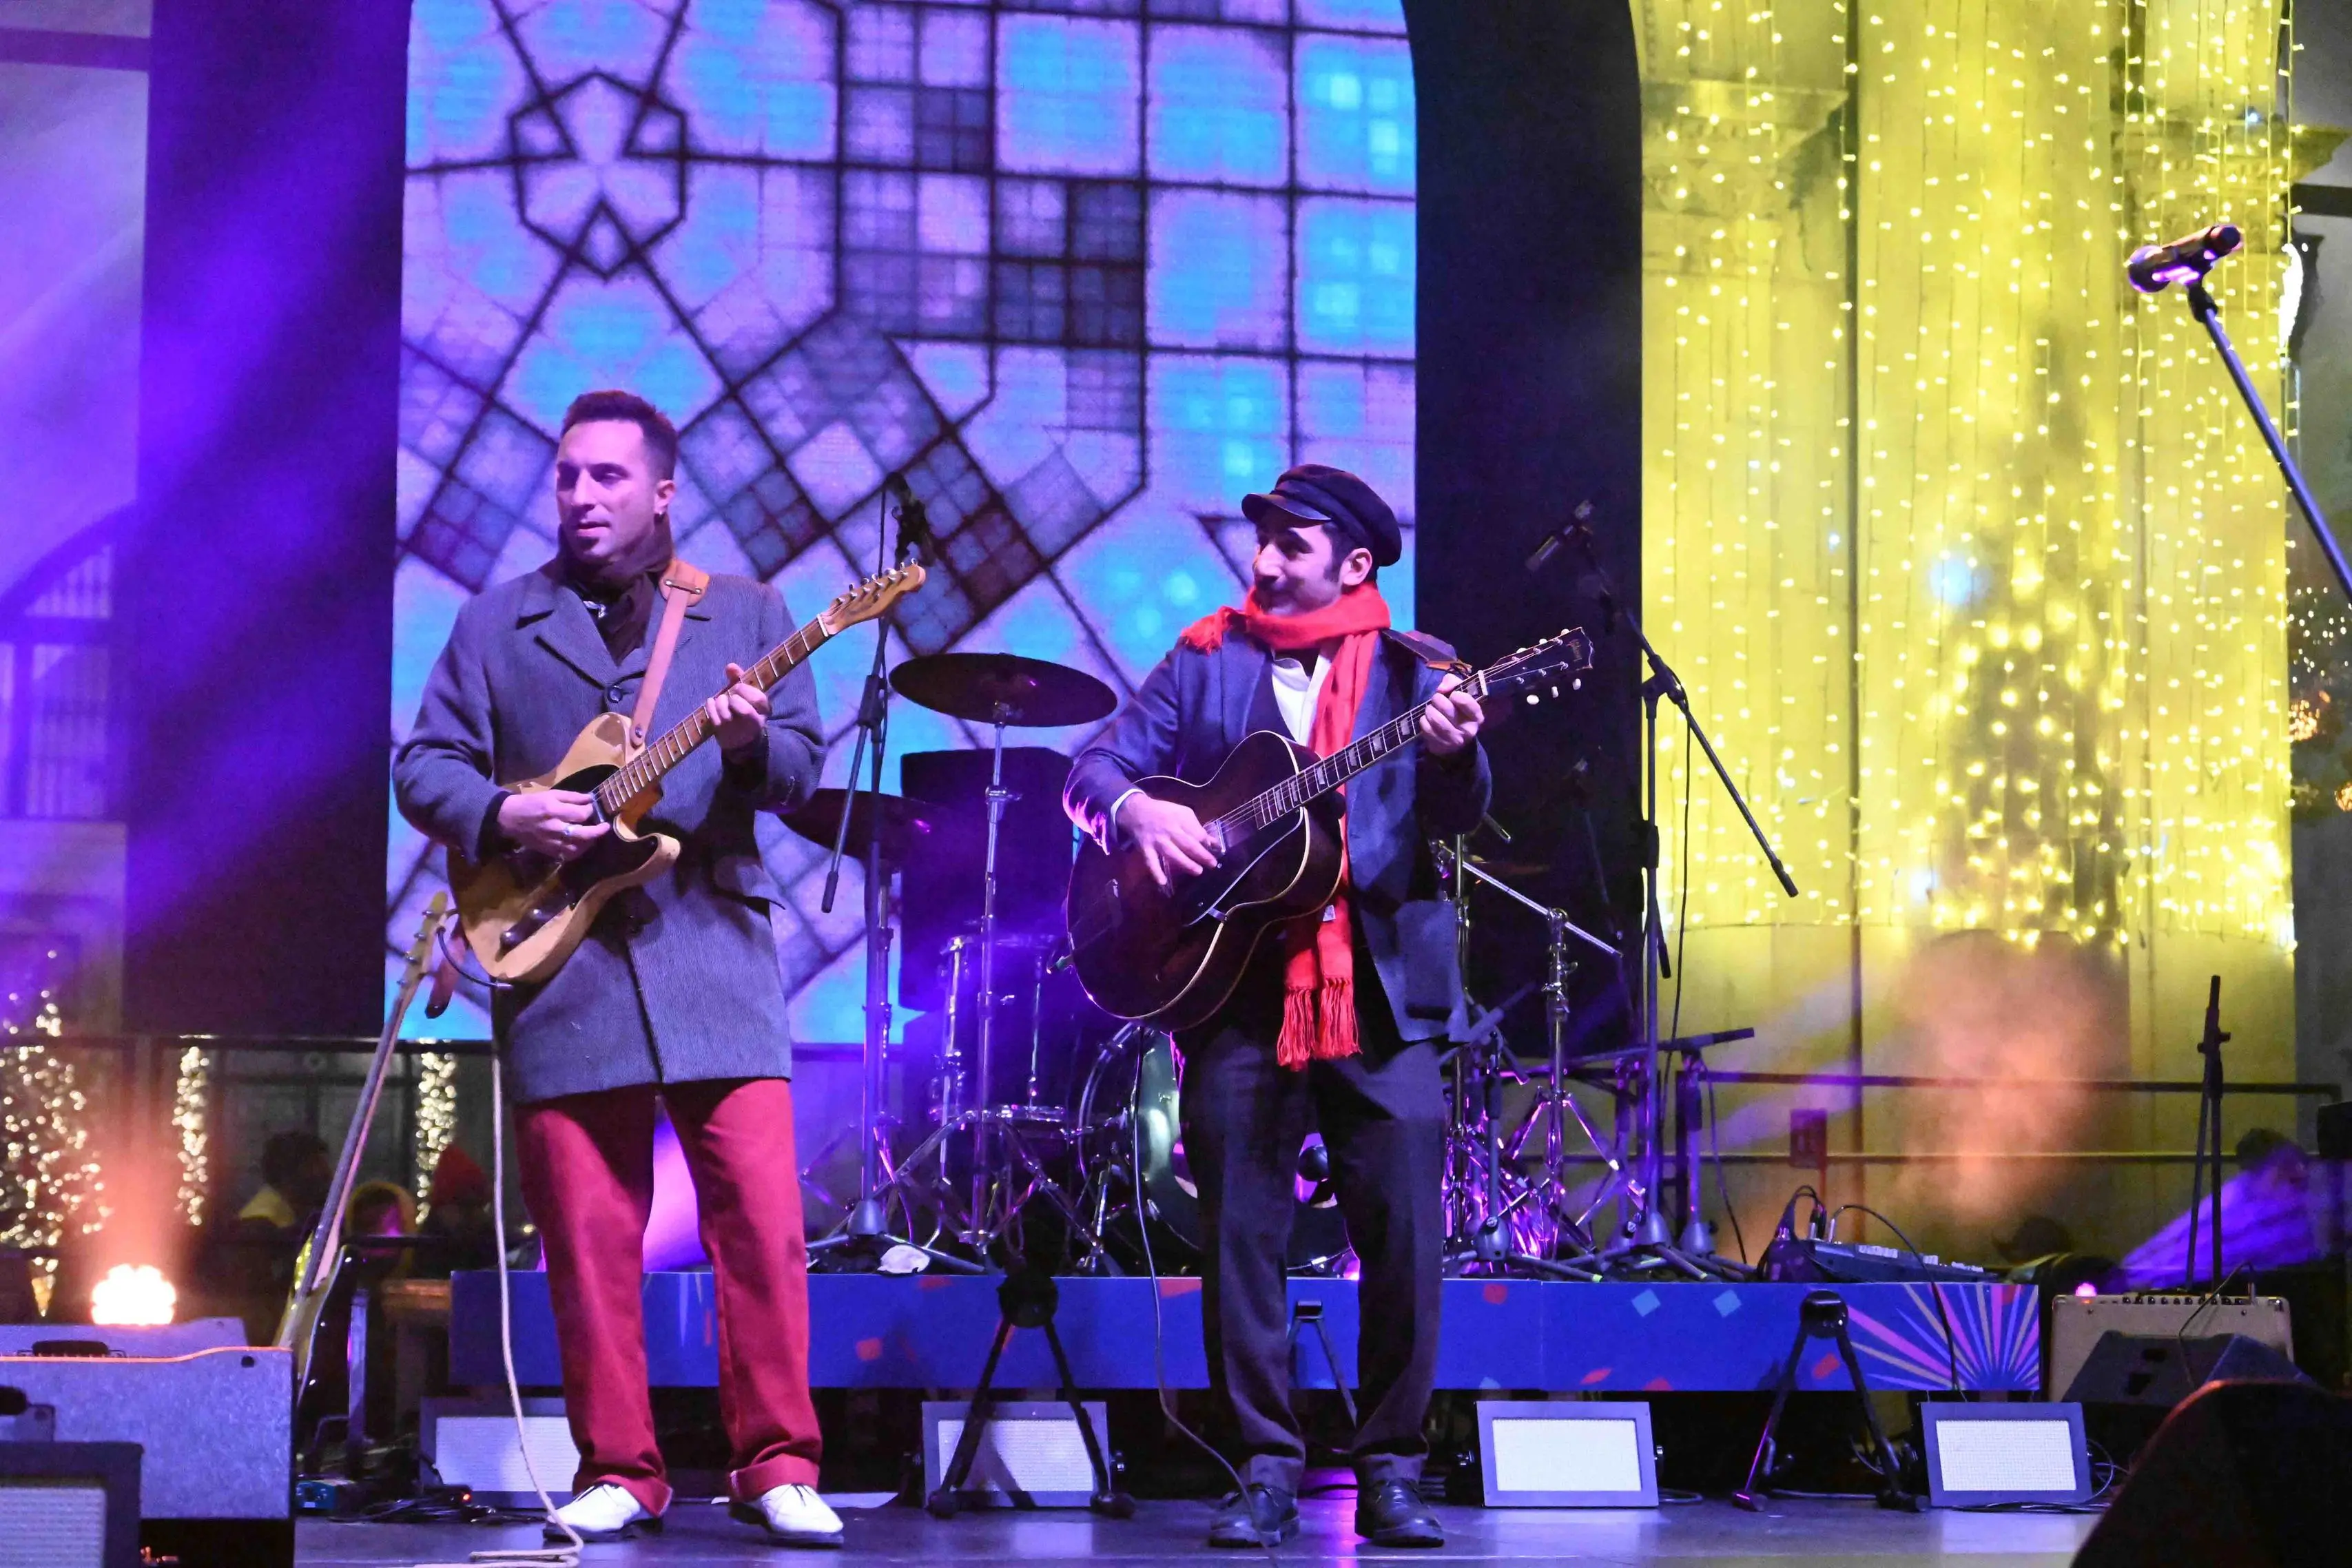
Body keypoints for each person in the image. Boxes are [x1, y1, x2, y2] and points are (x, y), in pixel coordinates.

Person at [393, 389, 838, 1548]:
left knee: (761, 1224)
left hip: (712, 954)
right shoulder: (497, 624)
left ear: (662, 491)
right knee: (588, 1237)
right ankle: (619, 1467)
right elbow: (424, 764)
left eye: (606, 478)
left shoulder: (745, 612)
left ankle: (777, 1461)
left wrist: (746, 743)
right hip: (559, 961)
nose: (582, 497)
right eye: (567, 477)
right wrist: (506, 811)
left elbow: (797, 767)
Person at [1064, 464, 1488, 1549]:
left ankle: (1391, 1467)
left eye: (1289, 546)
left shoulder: (1418, 672)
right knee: (1239, 1236)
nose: (1262, 563)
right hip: (1236, 992)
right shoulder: (1208, 659)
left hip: (1382, 993)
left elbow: (1459, 810)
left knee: (1400, 1240)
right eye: (1261, 542)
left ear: (1351, 564)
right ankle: (1262, 1465)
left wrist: (1459, 749)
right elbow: (1096, 764)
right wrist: (1141, 811)